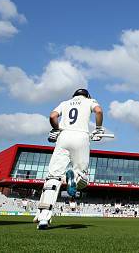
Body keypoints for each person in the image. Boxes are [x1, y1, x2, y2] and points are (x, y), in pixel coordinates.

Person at [34, 88, 104, 230]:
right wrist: (98, 128)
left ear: (74, 96)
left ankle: (43, 218)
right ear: (87, 95)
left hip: (63, 137)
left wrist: (56, 129)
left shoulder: (65, 103)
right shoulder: (90, 101)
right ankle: (75, 178)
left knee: (53, 178)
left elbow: (53, 116)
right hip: (81, 137)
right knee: (82, 177)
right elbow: (99, 111)